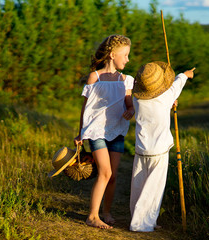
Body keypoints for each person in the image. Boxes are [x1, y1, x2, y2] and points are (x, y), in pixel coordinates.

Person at [74, 34, 134, 229]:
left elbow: (129, 104)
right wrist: (80, 132)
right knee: (105, 173)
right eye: (124, 55)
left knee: (113, 175)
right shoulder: (95, 77)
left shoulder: (126, 80)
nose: (127, 59)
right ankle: (92, 216)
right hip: (96, 131)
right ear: (111, 54)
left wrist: (131, 110)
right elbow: (86, 108)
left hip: (117, 131)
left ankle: (106, 212)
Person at [129, 61, 195, 232]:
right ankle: (142, 224)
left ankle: (136, 217)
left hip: (141, 149)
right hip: (158, 151)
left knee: (138, 184)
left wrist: (170, 102)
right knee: (154, 188)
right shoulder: (166, 96)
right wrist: (186, 74)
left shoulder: (137, 100)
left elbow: (161, 100)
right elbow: (177, 83)